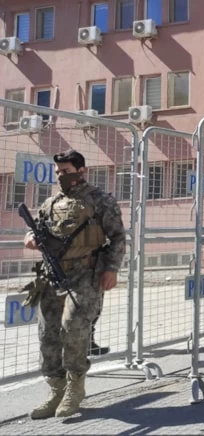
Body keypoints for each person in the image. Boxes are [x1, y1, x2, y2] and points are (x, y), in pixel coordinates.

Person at [23, 150, 126, 419]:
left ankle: (74, 389)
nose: (60, 177)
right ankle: (56, 389)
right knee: (48, 335)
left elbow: (117, 237)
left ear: (81, 172)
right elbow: (38, 230)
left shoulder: (100, 201)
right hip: (51, 276)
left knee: (74, 330)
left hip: (86, 275)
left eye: (65, 172)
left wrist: (111, 269)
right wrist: (30, 237)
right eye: (58, 173)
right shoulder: (51, 203)